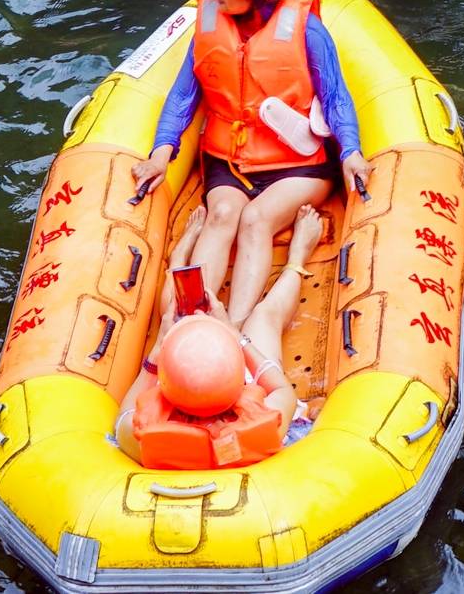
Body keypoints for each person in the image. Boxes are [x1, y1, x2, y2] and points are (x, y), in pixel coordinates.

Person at [127, 0, 371, 325]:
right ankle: (194, 320)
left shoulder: (307, 32)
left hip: (298, 162)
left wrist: (351, 152)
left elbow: (336, 96)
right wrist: (161, 152)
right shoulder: (209, 24)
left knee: (256, 219)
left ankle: (235, 326)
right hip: (229, 159)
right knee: (223, 214)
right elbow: (182, 96)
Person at [116, 201, 330, 469]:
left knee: (175, 311)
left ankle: (178, 259)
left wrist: (161, 344)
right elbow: (280, 387)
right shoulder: (267, 424)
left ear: (166, 382)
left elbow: (125, 413)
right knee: (265, 316)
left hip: (185, 393)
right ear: (238, 378)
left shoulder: (140, 440)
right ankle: (297, 256)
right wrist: (234, 334)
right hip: (230, 402)